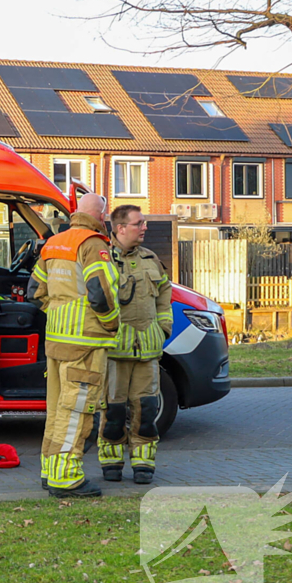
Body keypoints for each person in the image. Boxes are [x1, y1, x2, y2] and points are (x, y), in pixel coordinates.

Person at [26, 192, 119, 498]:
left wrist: (58, 312)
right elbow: (100, 294)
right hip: (85, 343)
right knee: (76, 412)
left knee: (57, 411)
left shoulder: (54, 243)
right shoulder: (93, 244)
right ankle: (66, 478)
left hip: (56, 341)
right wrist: (111, 324)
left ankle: (50, 471)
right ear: (101, 216)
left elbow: (34, 291)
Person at [98, 205, 172, 485]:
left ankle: (143, 463)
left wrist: (163, 329)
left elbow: (164, 295)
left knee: (147, 410)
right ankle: (111, 462)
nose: (144, 228)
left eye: (144, 223)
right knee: (113, 411)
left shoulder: (151, 259)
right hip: (115, 351)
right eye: (139, 223)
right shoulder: (103, 259)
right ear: (120, 228)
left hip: (148, 351)